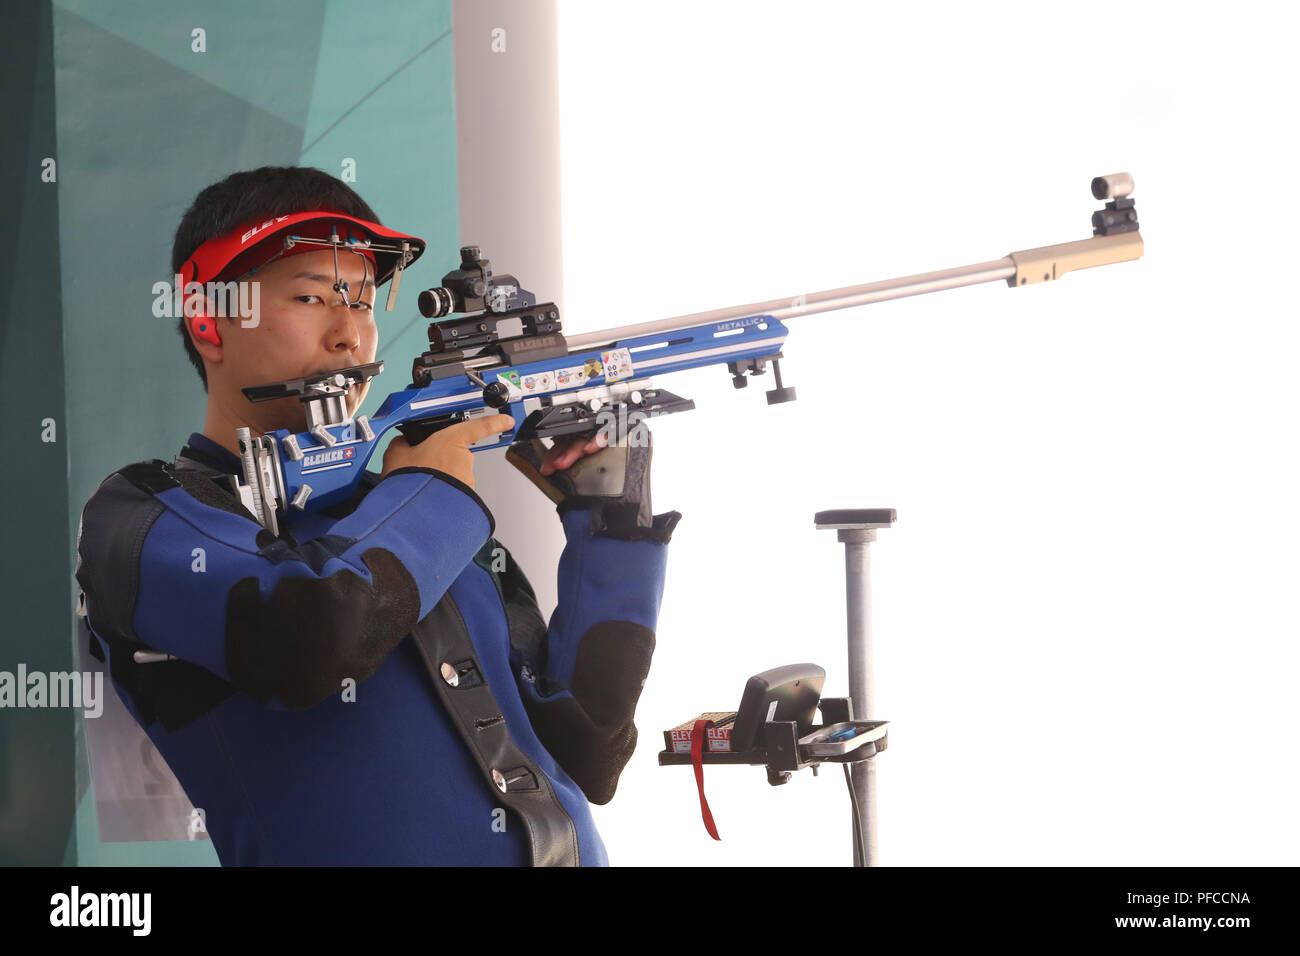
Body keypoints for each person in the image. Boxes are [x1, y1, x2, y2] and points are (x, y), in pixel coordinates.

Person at [73, 166, 680, 865]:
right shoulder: (141, 516)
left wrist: (609, 523)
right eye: (311, 297)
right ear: (209, 320)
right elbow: (311, 635)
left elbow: (587, 750)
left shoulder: (418, 518)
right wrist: (428, 486)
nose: (351, 337)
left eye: (362, 303)